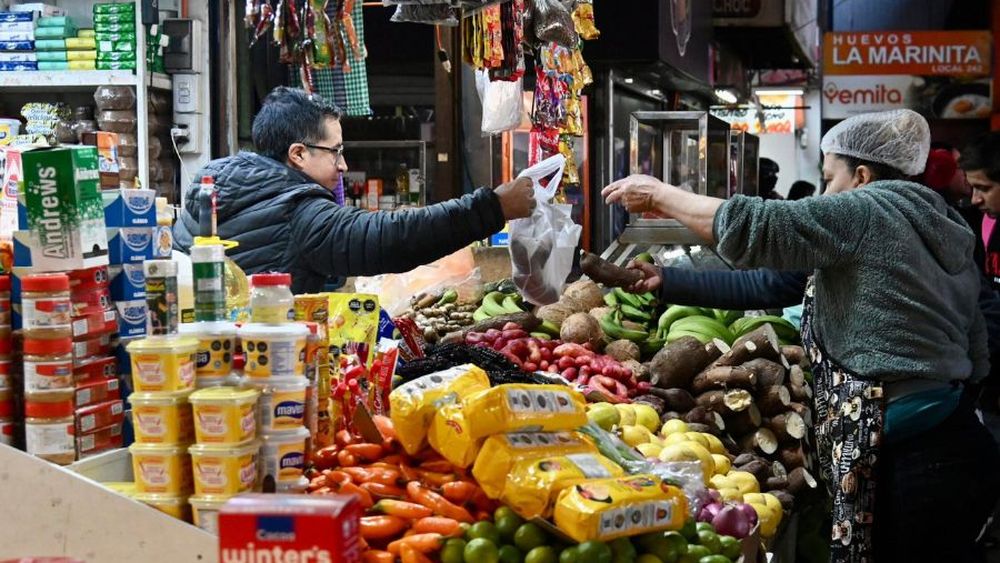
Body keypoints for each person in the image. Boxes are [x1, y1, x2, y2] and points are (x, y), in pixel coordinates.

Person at [604, 109, 1000, 561]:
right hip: (954, 441)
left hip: (915, 461)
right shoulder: (935, 219)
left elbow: (761, 224)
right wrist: (667, 281)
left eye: (830, 178)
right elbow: (773, 284)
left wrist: (660, 193)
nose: (825, 191)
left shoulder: (867, 210)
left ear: (862, 177)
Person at [174, 87, 535, 293]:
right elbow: (392, 238)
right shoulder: (298, 213)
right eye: (336, 152)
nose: (343, 165)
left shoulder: (208, 194)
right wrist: (494, 207)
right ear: (298, 154)